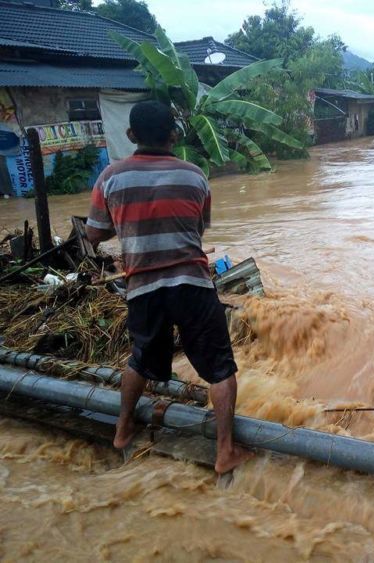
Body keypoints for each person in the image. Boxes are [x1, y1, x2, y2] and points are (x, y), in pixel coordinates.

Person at [85, 100, 247, 475]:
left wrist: (125, 223)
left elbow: (93, 234)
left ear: (130, 136)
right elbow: (197, 228)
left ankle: (123, 431)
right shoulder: (195, 177)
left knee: (141, 359)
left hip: (143, 287)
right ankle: (225, 452)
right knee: (221, 368)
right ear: (174, 136)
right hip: (192, 285)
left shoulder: (110, 178)